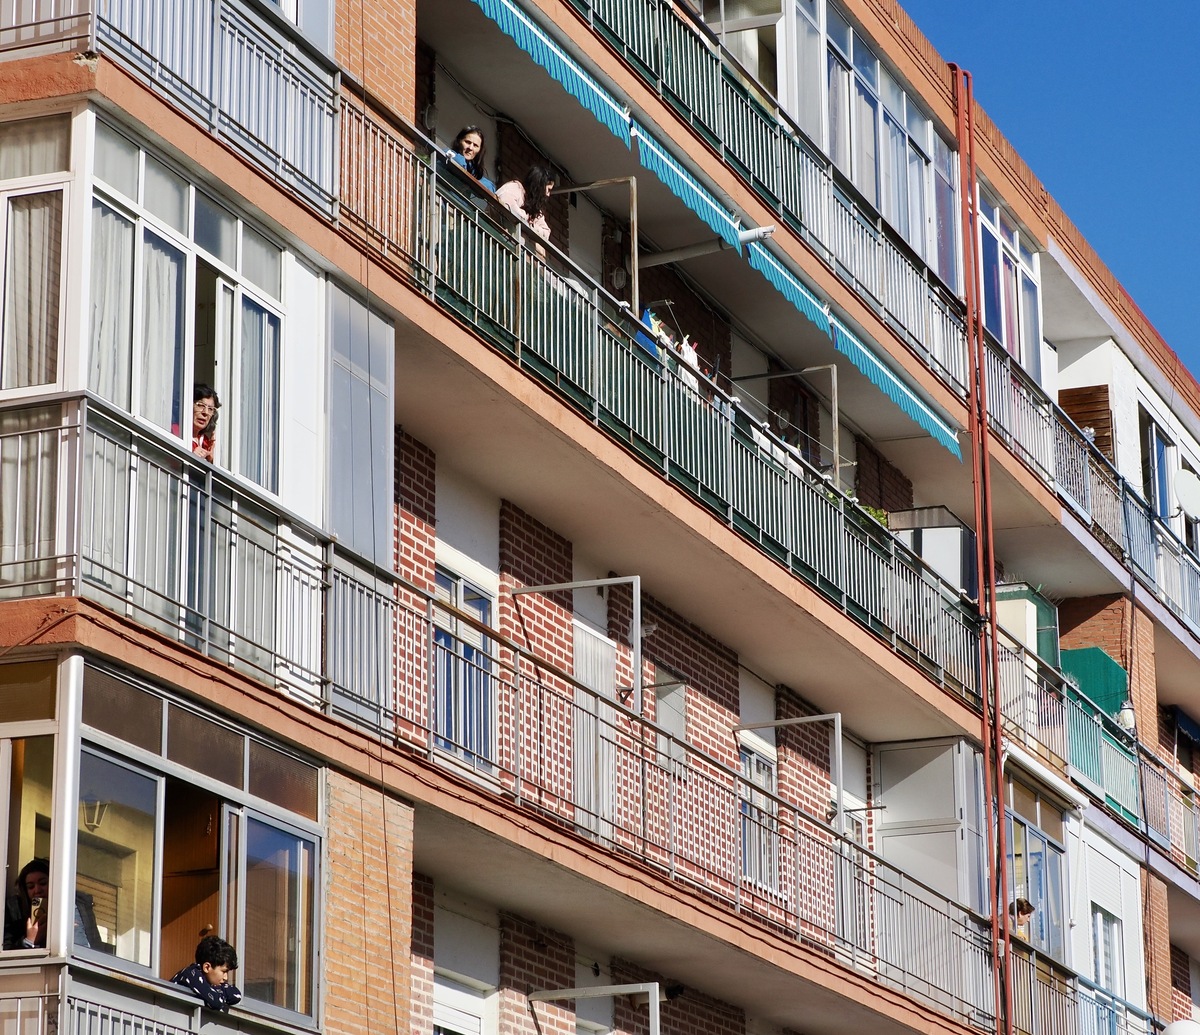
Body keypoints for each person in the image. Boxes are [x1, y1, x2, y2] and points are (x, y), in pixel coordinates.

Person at [171, 934, 243, 1011]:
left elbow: (236, 995)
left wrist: (215, 990)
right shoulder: (191, 974)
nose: (226, 978)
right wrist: (218, 993)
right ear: (207, 967)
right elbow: (216, 1002)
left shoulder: (209, 983)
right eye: (224, 971)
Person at [496, 165, 555, 246]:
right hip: (493, 237)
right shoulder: (515, 187)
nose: (548, 194)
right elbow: (506, 205)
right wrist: (528, 220)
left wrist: (529, 225)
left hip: (510, 249)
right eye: (548, 189)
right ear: (539, 185)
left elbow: (546, 233)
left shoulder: (535, 209)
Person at [3, 858, 48, 950]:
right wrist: (29, 941)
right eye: (30, 887)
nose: (37, 890)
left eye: (43, 883)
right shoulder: (14, 910)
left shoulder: (71, 908)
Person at [446, 126, 494, 191]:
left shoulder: (472, 170)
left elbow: (490, 187)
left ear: (479, 150)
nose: (470, 148)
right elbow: (459, 163)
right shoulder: (447, 153)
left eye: (475, 145)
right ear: (459, 141)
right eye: (468, 142)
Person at [191, 384, 221, 463]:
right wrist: (190, 457)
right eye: (201, 405)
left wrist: (211, 461)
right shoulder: (175, 432)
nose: (206, 412)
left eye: (211, 409)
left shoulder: (206, 443)